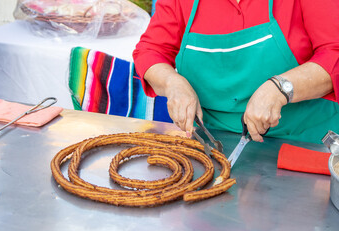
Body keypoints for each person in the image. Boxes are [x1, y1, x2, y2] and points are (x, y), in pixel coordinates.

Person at [133, 0, 339, 144]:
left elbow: (334, 52)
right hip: (209, 145)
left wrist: (280, 88)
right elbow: (151, 51)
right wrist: (173, 84)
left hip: (306, 141)